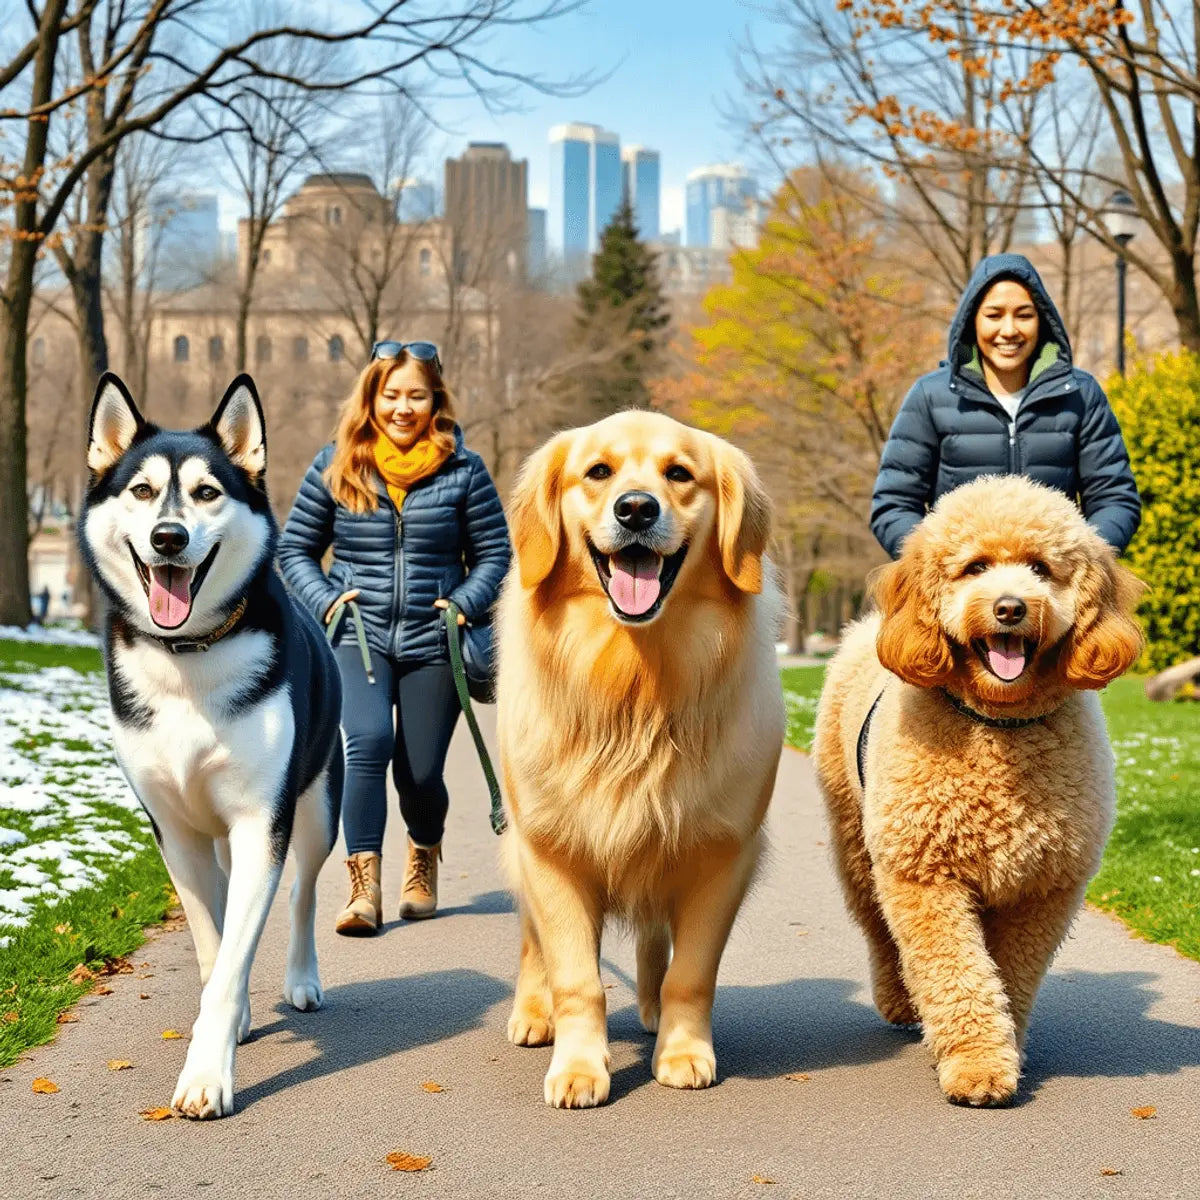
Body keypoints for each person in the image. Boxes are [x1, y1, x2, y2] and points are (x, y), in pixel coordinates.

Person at [279, 341, 511, 935]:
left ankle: (423, 852)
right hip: (358, 634)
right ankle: (363, 890)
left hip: (436, 640)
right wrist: (328, 599)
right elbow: (294, 550)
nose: (403, 407)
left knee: (421, 773)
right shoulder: (337, 464)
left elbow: (495, 556)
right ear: (372, 399)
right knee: (367, 743)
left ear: (435, 400)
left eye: (416, 395)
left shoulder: (465, 470)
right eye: (392, 395)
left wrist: (461, 604)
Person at [871, 253, 1141, 559]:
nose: (1009, 330)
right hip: (961, 590)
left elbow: (1115, 499)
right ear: (972, 320)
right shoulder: (930, 396)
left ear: (1042, 321)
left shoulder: (1082, 394)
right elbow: (893, 504)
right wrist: (937, 562)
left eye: (1024, 315)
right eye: (994, 315)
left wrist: (1080, 558)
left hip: (1050, 587)